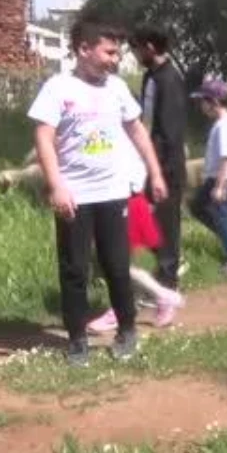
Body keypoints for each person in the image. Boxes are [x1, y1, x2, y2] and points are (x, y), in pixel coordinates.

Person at [27, 19, 168, 367]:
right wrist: (57, 185)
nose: (115, 59)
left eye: (117, 52)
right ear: (83, 50)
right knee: (74, 269)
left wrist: (155, 171)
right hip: (74, 194)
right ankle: (77, 341)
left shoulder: (118, 88)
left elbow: (136, 131)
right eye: (108, 52)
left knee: (117, 267)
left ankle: (128, 330)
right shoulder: (57, 88)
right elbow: (43, 137)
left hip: (113, 192)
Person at [86, 139, 186, 334]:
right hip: (121, 200)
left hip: (123, 201)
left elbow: (127, 172)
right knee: (114, 261)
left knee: (114, 262)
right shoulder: (118, 136)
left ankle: (158, 296)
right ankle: (132, 305)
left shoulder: (122, 138)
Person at [129, 26, 189, 292]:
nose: (135, 54)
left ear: (150, 47)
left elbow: (171, 130)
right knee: (142, 217)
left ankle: (167, 282)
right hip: (148, 162)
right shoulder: (150, 78)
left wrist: (159, 171)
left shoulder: (170, 80)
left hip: (165, 166)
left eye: (137, 48)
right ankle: (169, 265)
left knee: (166, 223)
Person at [188, 77, 227, 276]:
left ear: (213, 102)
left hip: (222, 178)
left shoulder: (225, 126)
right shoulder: (223, 123)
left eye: (202, 101)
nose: (200, 106)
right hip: (220, 177)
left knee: (221, 216)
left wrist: (220, 186)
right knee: (196, 206)